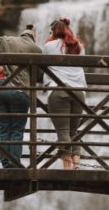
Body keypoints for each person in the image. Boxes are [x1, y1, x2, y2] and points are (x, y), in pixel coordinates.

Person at [0, 25, 43, 168]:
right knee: (17, 130)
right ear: (33, 38)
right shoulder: (35, 49)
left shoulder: (6, 39)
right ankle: (14, 163)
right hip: (19, 90)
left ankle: (5, 163)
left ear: (22, 35)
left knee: (4, 128)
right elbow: (40, 76)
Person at [42, 18, 88, 170]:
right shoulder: (79, 47)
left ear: (54, 32)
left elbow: (42, 66)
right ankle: (76, 165)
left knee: (63, 131)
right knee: (74, 132)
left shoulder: (48, 46)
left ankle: (67, 168)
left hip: (58, 90)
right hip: (79, 92)